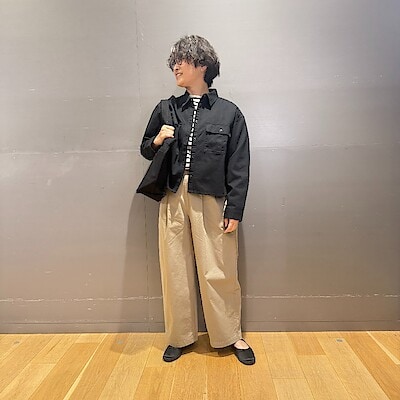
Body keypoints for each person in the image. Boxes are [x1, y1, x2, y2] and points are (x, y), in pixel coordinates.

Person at [140, 35, 254, 365]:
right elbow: (145, 149)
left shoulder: (229, 113)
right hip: (173, 195)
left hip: (212, 197)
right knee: (174, 268)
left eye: (182, 60)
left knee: (219, 269)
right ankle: (180, 336)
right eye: (173, 62)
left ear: (201, 65)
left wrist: (235, 208)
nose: (175, 66)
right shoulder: (166, 108)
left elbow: (239, 164)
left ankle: (230, 335)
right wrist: (158, 140)